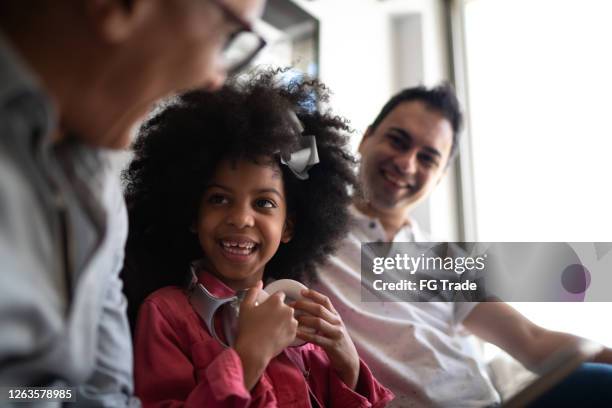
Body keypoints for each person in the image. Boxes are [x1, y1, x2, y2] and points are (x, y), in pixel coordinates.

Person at [0, 0, 265, 405]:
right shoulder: (167, 312)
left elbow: (100, 392)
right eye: (228, 34)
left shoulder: (100, 192)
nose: (216, 78)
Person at [314, 84, 612, 407]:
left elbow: (531, 340)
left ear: (440, 176)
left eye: (427, 158)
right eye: (397, 141)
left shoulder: (444, 257)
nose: (406, 163)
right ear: (365, 138)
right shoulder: (310, 226)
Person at [122, 69, 394, 407]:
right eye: (219, 198)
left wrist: (349, 363)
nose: (240, 218)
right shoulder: (167, 313)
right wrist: (249, 356)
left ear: (290, 226)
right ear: (192, 214)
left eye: (264, 203)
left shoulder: (301, 318)